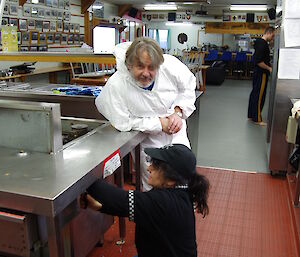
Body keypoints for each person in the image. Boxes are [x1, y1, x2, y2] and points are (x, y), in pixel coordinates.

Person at [95, 37, 196, 191]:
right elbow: (122, 121)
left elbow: (188, 87)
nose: (146, 73)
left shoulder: (170, 66)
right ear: (129, 65)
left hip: (177, 135)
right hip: (149, 142)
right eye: (140, 67)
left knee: (182, 183)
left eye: (151, 68)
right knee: (153, 189)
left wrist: (178, 112)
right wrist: (158, 124)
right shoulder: (117, 85)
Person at [80, 144, 210, 257]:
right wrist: (102, 207)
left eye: (156, 165)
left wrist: (82, 175)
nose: (149, 168)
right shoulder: (181, 192)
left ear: (171, 180)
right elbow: (137, 208)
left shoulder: (165, 202)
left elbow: (120, 200)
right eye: (151, 161)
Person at [248, 26, 275, 126]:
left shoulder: (260, 43)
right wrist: (269, 68)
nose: (273, 38)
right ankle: (257, 119)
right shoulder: (262, 44)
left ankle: (251, 115)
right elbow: (259, 61)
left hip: (257, 72)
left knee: (255, 93)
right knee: (259, 95)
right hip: (261, 73)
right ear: (268, 33)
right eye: (272, 35)